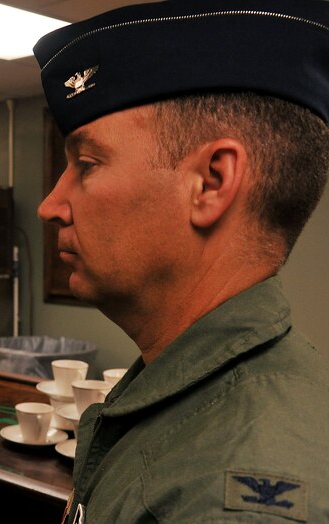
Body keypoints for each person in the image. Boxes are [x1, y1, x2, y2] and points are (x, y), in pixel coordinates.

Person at [33, 0, 329, 521]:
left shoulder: (232, 489)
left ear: (212, 182)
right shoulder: (184, 399)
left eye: (86, 163)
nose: (51, 206)